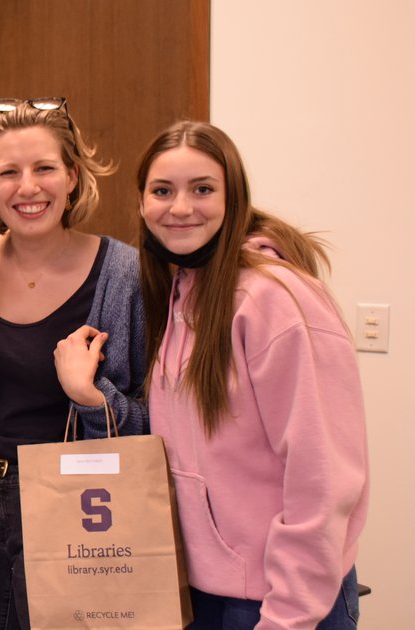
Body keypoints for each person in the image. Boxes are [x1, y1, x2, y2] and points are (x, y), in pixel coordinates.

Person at [136, 121, 367, 629]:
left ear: (233, 197)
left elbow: (321, 479)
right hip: (206, 594)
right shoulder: (180, 288)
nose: (179, 207)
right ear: (142, 203)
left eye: (202, 189)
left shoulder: (276, 300)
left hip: (277, 603)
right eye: (162, 191)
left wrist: (287, 614)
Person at [0, 97, 147, 630]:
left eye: (44, 168)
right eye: (9, 172)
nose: (28, 187)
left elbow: (159, 422)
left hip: (81, 512)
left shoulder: (124, 274)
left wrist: (91, 398)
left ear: (73, 176)